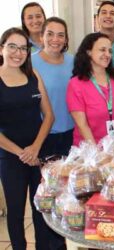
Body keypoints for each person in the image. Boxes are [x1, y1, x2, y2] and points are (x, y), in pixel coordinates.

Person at [0, 27, 54, 250]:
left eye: (23, 48)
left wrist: (35, 148)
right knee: (15, 211)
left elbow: (49, 115)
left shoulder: (33, 75)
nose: (18, 52)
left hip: (38, 151)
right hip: (11, 157)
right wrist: (23, 153)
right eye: (12, 46)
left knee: (40, 208)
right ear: (1, 48)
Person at [32, 17, 74, 158]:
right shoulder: (29, 63)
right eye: (50, 34)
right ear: (41, 37)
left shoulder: (73, 61)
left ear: (66, 39)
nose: (55, 39)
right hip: (42, 135)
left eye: (60, 35)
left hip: (72, 131)